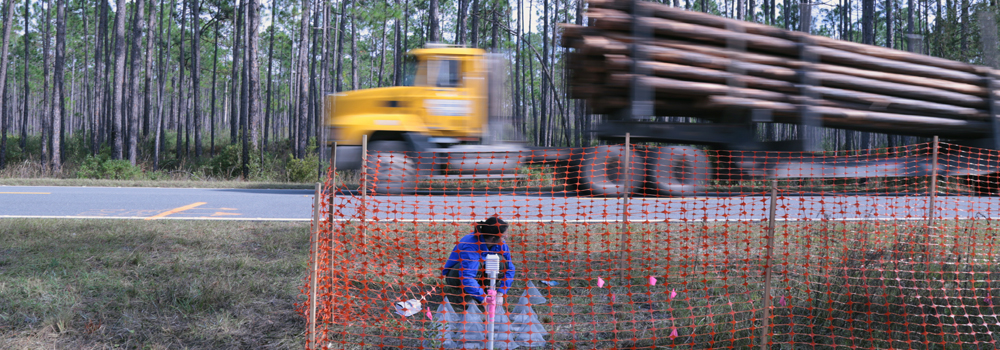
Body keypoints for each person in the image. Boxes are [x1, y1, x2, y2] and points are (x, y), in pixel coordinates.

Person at [441, 216, 516, 313]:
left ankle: (486, 288)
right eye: (503, 236)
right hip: (456, 276)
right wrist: (484, 299)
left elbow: (510, 269)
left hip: (476, 275)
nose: (506, 237)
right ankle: (465, 295)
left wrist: (501, 293)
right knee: (478, 265)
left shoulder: (501, 244)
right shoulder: (471, 246)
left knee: (502, 262)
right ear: (493, 238)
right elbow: (467, 277)